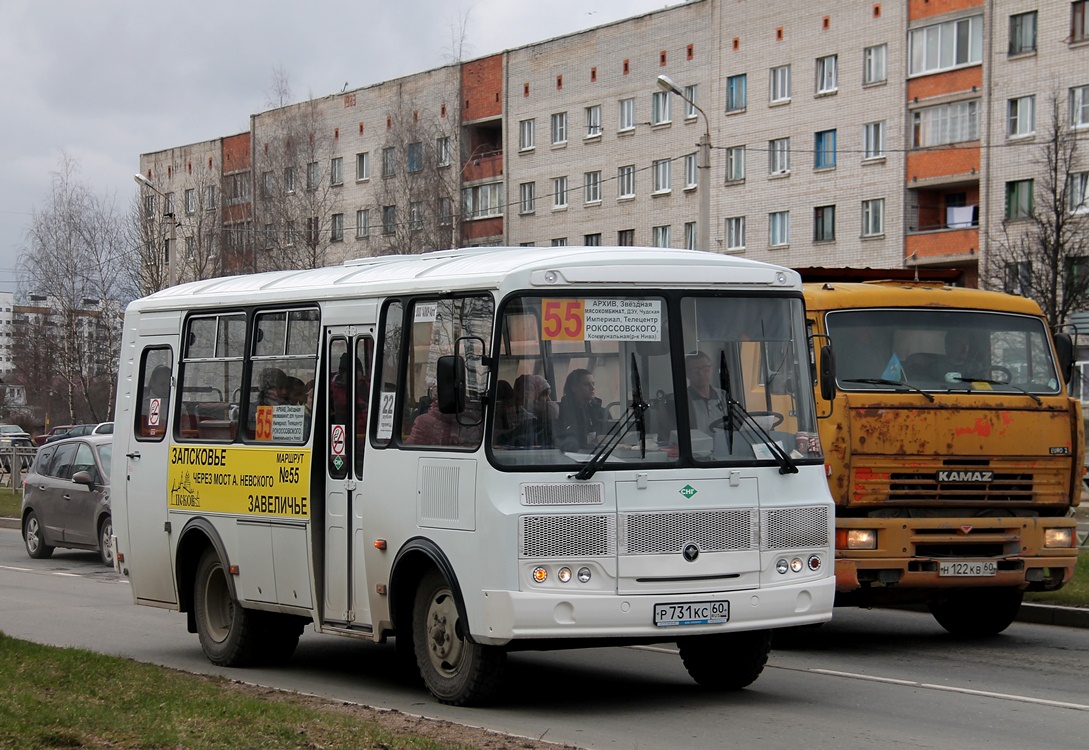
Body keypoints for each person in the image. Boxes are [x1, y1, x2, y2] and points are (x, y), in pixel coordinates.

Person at [497, 374, 556, 447]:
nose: (526, 392)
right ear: (516, 392)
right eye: (522, 389)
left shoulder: (542, 412)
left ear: (536, 393)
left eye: (530, 389)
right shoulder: (508, 409)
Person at [556, 368, 605, 451]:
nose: (592, 388)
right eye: (586, 384)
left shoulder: (601, 411)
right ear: (574, 388)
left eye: (593, 384)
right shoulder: (562, 412)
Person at [683, 351, 729, 435]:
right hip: (697, 446)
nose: (701, 373)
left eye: (705, 368)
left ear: (712, 369)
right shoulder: (682, 399)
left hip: (723, 445)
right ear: (687, 374)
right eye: (695, 370)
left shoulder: (722, 395)